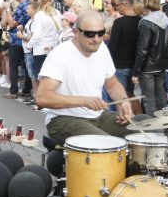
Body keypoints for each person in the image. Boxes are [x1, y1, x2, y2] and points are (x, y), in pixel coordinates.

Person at [35, 10, 133, 141]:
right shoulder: (60, 55)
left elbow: (112, 84)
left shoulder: (102, 49)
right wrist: (84, 101)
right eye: (89, 34)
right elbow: (42, 98)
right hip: (63, 119)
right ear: (76, 32)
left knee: (140, 129)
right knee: (107, 143)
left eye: (101, 33)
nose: (96, 39)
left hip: (97, 116)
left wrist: (123, 101)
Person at [133, 0, 168, 116]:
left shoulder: (146, 22)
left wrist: (136, 71)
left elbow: (142, 49)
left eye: (142, 1)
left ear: (147, 2)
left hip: (148, 67)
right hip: (162, 65)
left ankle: (154, 131)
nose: (140, 3)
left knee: (149, 101)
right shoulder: (166, 20)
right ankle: (164, 127)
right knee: (161, 98)